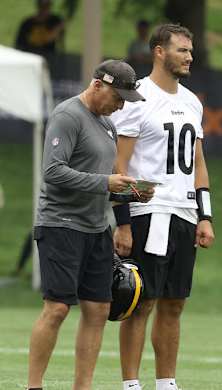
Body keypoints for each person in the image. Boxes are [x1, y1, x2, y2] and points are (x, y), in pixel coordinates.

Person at [27, 59, 146, 390]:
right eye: (118, 97)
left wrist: (131, 194)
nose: (121, 106)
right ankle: (33, 385)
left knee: (98, 310)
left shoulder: (107, 123)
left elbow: (102, 178)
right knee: (58, 309)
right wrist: (105, 183)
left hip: (96, 229)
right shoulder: (68, 116)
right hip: (61, 225)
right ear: (98, 85)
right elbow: (53, 171)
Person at [110, 23, 215, 390]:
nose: (189, 56)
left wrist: (206, 215)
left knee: (175, 303)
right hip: (148, 210)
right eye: (181, 50)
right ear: (159, 51)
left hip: (184, 213)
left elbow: (198, 163)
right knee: (142, 301)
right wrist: (122, 222)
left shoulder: (192, 101)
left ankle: (166, 382)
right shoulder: (136, 95)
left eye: (190, 50)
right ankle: (130, 383)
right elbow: (118, 166)